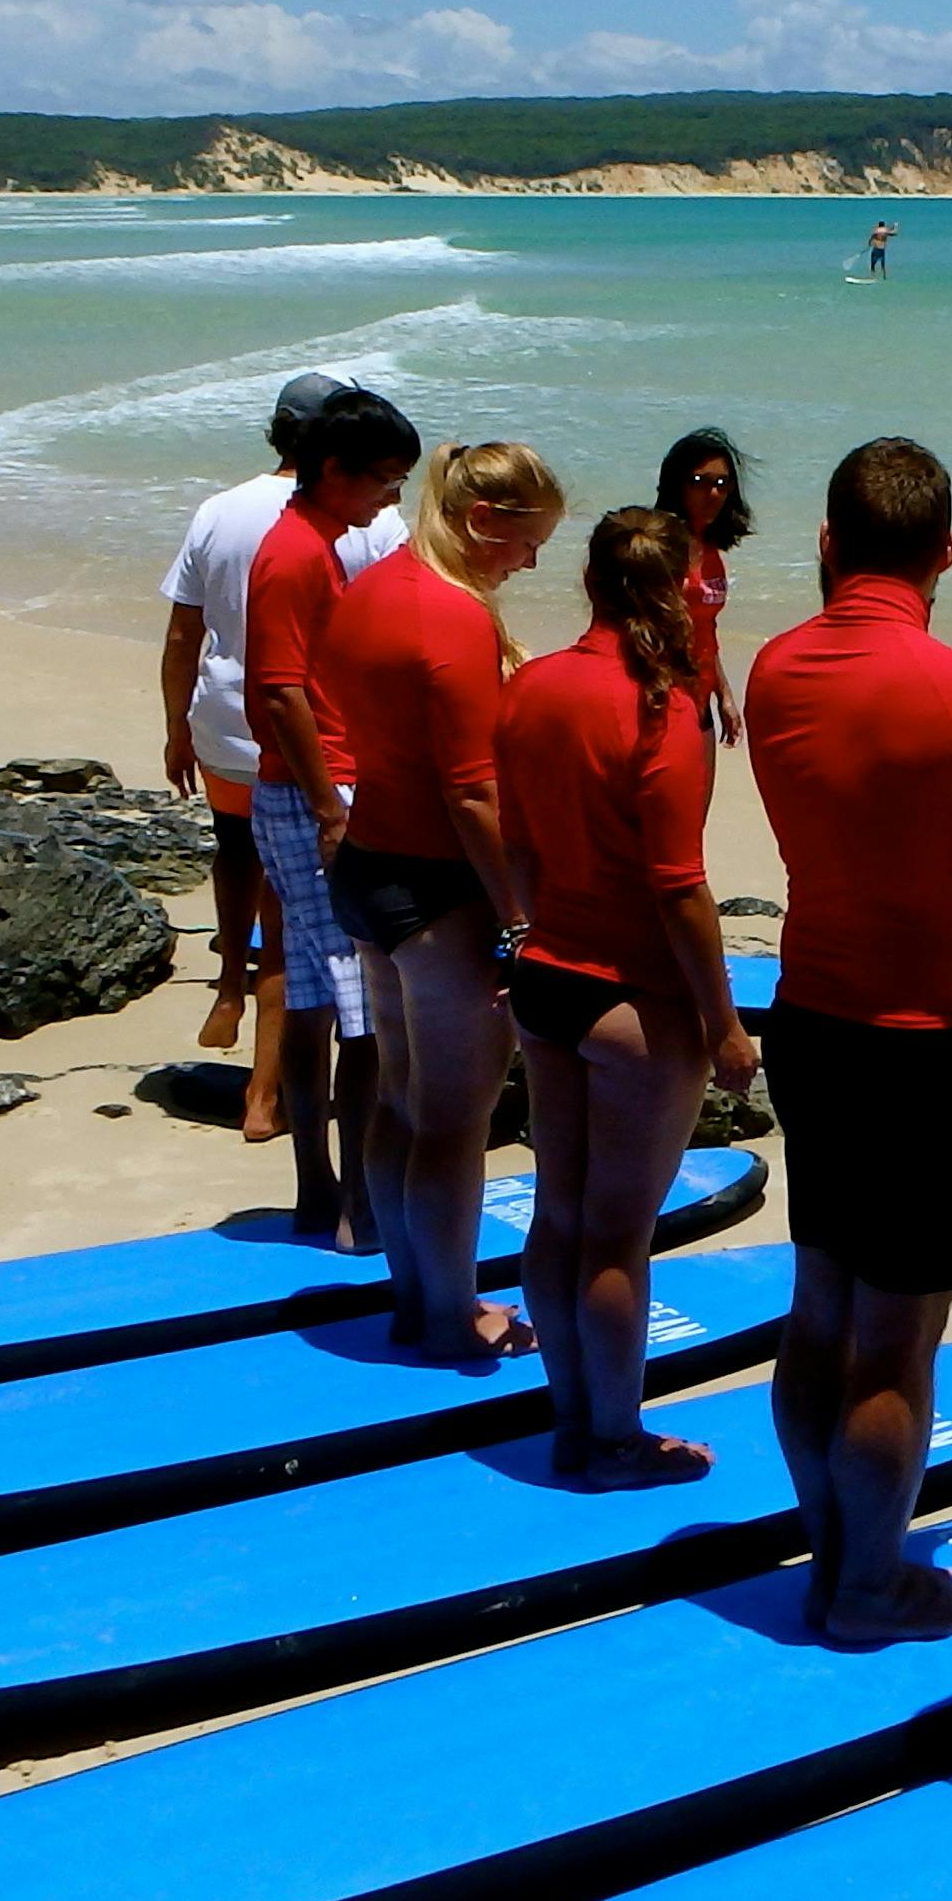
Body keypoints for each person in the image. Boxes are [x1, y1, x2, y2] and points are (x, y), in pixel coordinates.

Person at [743, 436, 952, 1642]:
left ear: (826, 546)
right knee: (899, 1343)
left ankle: (833, 1554)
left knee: (821, 1308)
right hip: (926, 1041)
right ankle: (871, 1584)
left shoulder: (770, 670)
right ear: (948, 554)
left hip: (810, 1020)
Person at [496, 505, 755, 1487]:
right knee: (619, 1238)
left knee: (559, 1218)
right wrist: (724, 1025)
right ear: (679, 593)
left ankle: (575, 1416)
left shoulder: (535, 688)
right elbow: (680, 885)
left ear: (592, 583)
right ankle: (613, 1437)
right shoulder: (664, 705)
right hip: (634, 1003)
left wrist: (530, 933)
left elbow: (517, 841)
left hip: (548, 978)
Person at [321, 440, 565, 1351]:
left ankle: (414, 1297)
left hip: (368, 868)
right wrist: (519, 918)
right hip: (438, 889)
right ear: (479, 522)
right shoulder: (452, 617)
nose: (531, 561)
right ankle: (453, 1314)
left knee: (402, 1103)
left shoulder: (371, 587)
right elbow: (471, 790)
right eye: (525, 541)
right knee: (455, 1126)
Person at [158, 375, 405, 1069]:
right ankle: (274, 1070)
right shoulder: (358, 530)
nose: (392, 492)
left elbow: (184, 634)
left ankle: (230, 984)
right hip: (313, 747)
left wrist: (176, 724)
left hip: (225, 723)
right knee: (308, 922)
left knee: (236, 851)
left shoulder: (220, 510)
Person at [240, 383, 423, 1244]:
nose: (392, 497)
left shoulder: (315, 539)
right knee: (363, 1013)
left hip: (306, 786)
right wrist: (329, 805)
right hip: (317, 790)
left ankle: (323, 1192)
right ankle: (356, 1203)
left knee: (317, 997)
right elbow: (278, 692)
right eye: (384, 480)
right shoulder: (295, 552)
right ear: (336, 470)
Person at [654, 428, 755, 746]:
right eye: (700, 483)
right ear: (677, 484)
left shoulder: (710, 548)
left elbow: (704, 628)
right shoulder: (659, 544)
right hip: (661, 695)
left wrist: (724, 693)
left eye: (722, 484)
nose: (713, 494)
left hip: (701, 693)